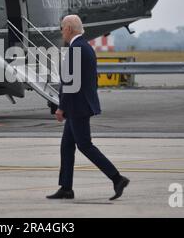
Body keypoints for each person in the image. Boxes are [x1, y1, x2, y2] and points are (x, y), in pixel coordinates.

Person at [47, 15, 130, 201]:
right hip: (80, 104)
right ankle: (66, 188)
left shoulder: (76, 49)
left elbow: (70, 83)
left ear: (69, 28)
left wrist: (61, 108)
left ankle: (117, 178)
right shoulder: (85, 47)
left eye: (62, 28)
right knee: (67, 146)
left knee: (85, 145)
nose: (61, 32)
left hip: (78, 106)